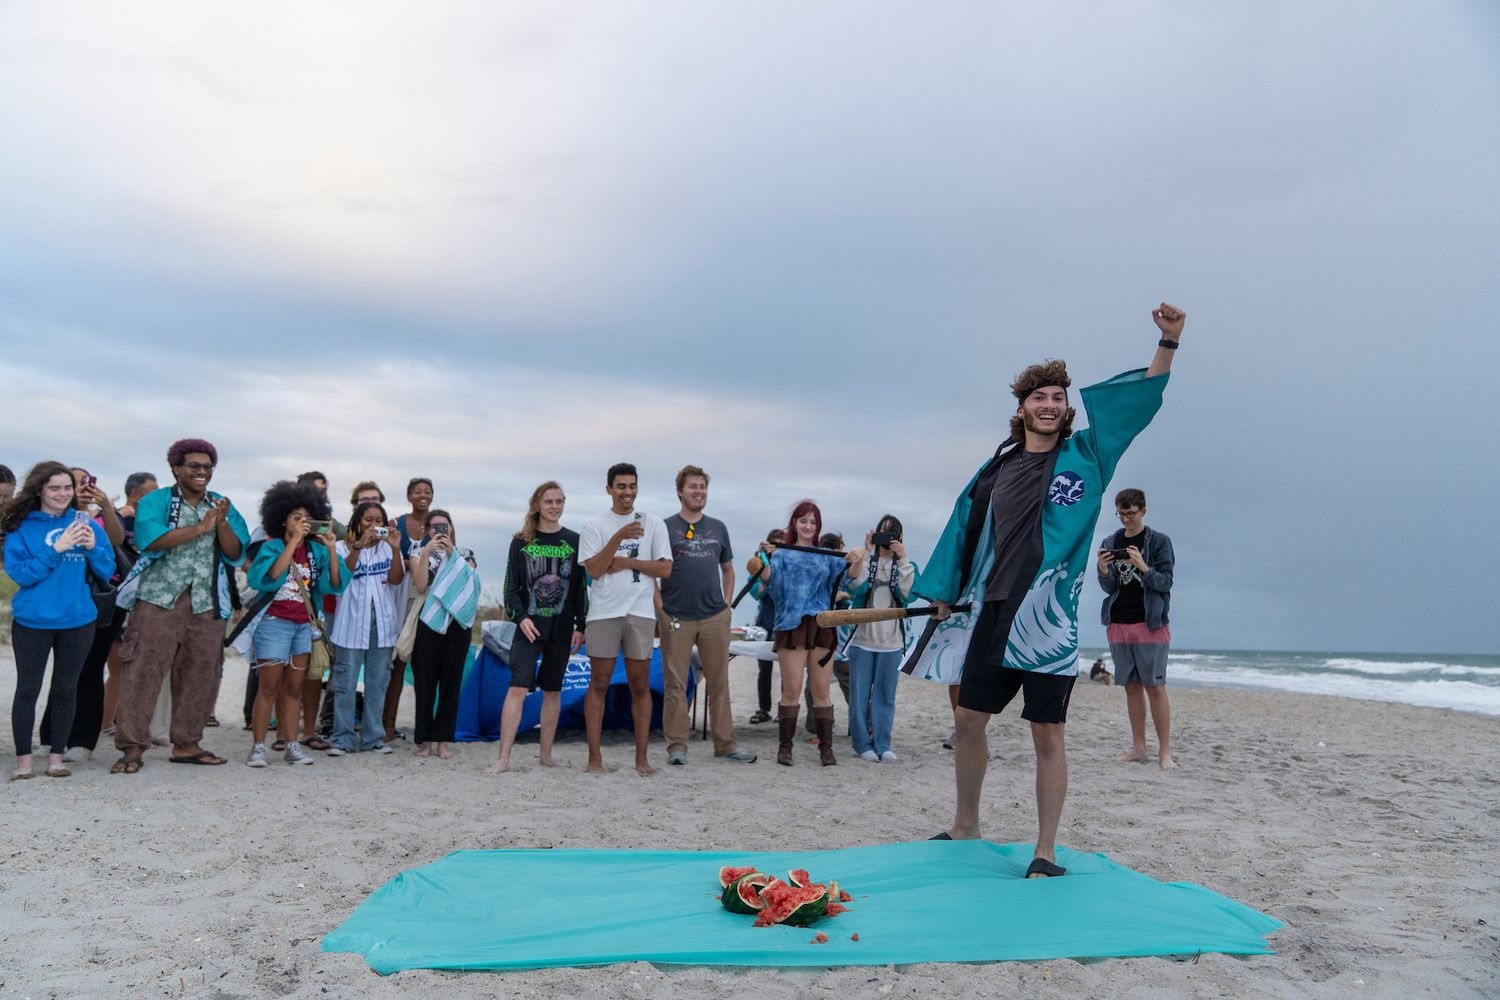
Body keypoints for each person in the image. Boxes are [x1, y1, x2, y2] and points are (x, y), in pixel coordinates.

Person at [918, 302, 1186, 877]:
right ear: (1021, 409)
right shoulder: (996, 468)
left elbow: (1137, 406)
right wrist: (944, 589)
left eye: (1058, 398)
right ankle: (966, 824)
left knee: (1047, 733)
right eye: (1038, 397)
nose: (1049, 404)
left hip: (1048, 620)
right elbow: (962, 529)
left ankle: (1045, 850)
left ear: (1066, 409)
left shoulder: (1088, 455)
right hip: (993, 609)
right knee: (968, 720)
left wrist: (1168, 344)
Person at [112, 438, 249, 773]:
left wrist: (221, 523)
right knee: (143, 672)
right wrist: (201, 527)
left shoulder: (221, 504)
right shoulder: (157, 501)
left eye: (207, 466)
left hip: (207, 601)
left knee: (201, 673)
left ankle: (187, 743)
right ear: (175, 468)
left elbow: (236, 553)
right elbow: (151, 541)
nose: (202, 472)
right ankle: (132, 747)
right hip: (159, 599)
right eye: (194, 466)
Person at [3, 461, 115, 779]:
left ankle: (56, 759)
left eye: (67, 487)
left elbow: (107, 570)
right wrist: (57, 548)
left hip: (78, 619)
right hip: (32, 620)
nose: (62, 494)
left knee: (66, 688)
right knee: (28, 689)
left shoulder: (86, 524)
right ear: (39, 490)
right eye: (54, 488)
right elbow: (22, 575)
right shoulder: (21, 527)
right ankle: (24, 762)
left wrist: (93, 549)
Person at [244, 480, 348, 767]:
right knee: (269, 687)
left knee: (294, 688)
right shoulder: (272, 546)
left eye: (307, 518)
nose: (302, 522)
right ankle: (258, 747)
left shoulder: (316, 551)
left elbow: (334, 583)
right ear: (282, 520)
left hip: (304, 625)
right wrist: (292, 543)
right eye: (295, 517)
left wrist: (331, 549)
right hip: (274, 623)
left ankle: (292, 745)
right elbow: (267, 578)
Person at [750, 500, 861, 767]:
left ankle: (826, 748)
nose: (808, 526)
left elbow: (851, 578)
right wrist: (762, 557)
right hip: (790, 626)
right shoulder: (782, 554)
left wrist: (859, 556)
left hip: (822, 625)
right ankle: (785, 747)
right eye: (803, 521)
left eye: (813, 522)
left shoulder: (827, 555)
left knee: (821, 689)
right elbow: (767, 580)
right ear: (795, 523)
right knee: (792, 689)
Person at [658, 466, 755, 766]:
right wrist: (660, 609)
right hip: (676, 616)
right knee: (676, 684)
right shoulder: (665, 527)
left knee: (718, 683)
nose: (699, 492)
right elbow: (653, 571)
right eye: (693, 487)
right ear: (680, 491)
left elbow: (728, 569)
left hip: (714, 616)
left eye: (703, 487)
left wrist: (727, 605)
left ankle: (725, 744)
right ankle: (677, 746)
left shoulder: (718, 527)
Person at [578, 463, 671, 776]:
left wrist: (629, 562)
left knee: (640, 684)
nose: (627, 492)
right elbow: (594, 570)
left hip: (640, 612)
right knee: (599, 683)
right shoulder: (594, 525)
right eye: (621, 486)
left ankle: (641, 759)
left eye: (632, 486)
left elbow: (665, 569)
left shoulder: (654, 524)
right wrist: (618, 536)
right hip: (603, 613)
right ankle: (594, 759)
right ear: (609, 489)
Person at [492, 481, 586, 773]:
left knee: (553, 690)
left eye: (559, 501)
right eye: (549, 502)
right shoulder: (521, 542)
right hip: (528, 628)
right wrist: (521, 618)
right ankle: (503, 758)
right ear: (537, 505)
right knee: (517, 689)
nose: (554, 507)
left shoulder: (574, 541)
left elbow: (579, 589)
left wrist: (581, 625)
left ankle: (546, 755)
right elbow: (510, 589)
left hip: (561, 628)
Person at [38, 470, 128, 759]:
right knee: (63, 670)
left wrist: (106, 507)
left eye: (82, 481)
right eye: (71, 483)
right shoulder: (51, 516)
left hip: (99, 599)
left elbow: (116, 539)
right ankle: (51, 737)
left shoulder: (99, 515)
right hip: (61, 598)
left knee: (91, 668)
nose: (78, 487)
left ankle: (82, 741)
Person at [1097, 487, 1176, 769]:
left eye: (1130, 513)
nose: (1125, 519)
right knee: (1131, 687)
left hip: (1150, 623)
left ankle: (1165, 753)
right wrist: (1103, 570)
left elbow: (1165, 582)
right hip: (1118, 622)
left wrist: (1143, 567)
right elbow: (1109, 587)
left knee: (1155, 686)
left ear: (1143, 510)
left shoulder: (1160, 542)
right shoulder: (1111, 541)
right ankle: (1139, 748)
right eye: (1120, 513)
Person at [327, 500, 403, 756]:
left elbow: (396, 579)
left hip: (382, 625)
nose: (373, 525)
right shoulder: (341, 547)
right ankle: (342, 739)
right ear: (357, 522)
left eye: (378, 520)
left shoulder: (388, 548)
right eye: (368, 520)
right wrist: (359, 546)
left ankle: (373, 738)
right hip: (350, 624)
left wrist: (395, 549)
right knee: (345, 683)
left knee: (377, 683)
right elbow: (341, 577)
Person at [843, 515, 917, 763]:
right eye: (882, 532)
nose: (887, 538)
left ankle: (883, 744)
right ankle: (862, 744)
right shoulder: (868, 561)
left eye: (892, 533)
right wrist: (866, 552)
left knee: (886, 696)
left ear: (900, 537)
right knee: (859, 696)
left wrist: (903, 558)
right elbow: (855, 585)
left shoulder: (906, 565)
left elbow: (908, 594)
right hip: (862, 640)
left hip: (892, 642)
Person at [407, 508, 479, 760]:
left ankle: (444, 741)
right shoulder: (418, 552)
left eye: (444, 526)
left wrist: (451, 553)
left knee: (451, 685)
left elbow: (469, 582)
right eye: (435, 527)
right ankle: (424, 740)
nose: (440, 531)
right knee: (425, 684)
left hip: (457, 625)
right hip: (429, 621)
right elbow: (420, 585)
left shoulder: (464, 553)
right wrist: (427, 552)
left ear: (451, 528)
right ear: (427, 530)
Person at [100, 472, 158, 737]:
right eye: (152, 492)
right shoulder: (119, 518)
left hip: (142, 600)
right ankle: (105, 722)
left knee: (131, 668)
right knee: (115, 666)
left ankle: (115, 721)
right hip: (115, 598)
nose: (158, 497)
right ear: (135, 493)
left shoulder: (151, 522)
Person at [383, 477, 433, 743]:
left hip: (426, 596)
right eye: (417, 492)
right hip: (399, 595)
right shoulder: (396, 523)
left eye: (427, 491)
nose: (423, 496)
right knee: (396, 661)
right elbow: (386, 557)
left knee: (424, 664)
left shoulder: (439, 525)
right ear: (409, 496)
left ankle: (424, 729)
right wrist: (408, 560)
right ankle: (387, 725)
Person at [746, 529, 784, 725]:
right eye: (773, 544)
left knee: (788, 669)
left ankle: (785, 710)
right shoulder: (758, 565)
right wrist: (764, 564)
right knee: (764, 669)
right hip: (765, 620)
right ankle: (763, 709)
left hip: (784, 619)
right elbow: (757, 592)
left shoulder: (789, 565)